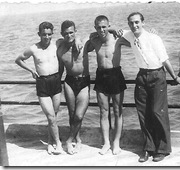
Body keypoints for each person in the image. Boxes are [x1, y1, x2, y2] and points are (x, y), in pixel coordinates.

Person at [114, 12, 180, 162]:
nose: (134, 25)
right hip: (141, 75)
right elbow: (112, 29)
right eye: (131, 23)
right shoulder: (129, 34)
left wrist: (174, 77)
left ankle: (163, 149)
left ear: (143, 23)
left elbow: (165, 60)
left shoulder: (154, 38)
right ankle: (148, 148)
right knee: (143, 112)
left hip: (157, 74)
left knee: (157, 112)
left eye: (137, 22)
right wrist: (115, 31)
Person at [15, 21, 64, 155]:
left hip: (55, 81)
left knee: (53, 116)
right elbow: (18, 60)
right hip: (42, 83)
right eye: (44, 35)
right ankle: (58, 144)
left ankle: (50, 142)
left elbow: (71, 37)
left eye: (49, 34)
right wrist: (31, 70)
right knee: (50, 117)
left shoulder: (56, 44)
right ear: (39, 34)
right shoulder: (33, 48)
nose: (47, 37)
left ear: (52, 34)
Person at [83, 15, 127, 155]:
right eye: (99, 27)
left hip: (115, 75)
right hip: (101, 76)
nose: (102, 30)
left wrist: (114, 29)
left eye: (104, 27)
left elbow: (134, 39)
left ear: (108, 26)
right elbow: (81, 45)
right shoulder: (94, 41)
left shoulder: (117, 39)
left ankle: (116, 143)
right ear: (95, 28)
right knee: (103, 112)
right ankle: (106, 143)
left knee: (117, 111)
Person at [57, 20, 90, 155]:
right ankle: (77, 139)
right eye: (66, 34)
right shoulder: (60, 49)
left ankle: (69, 140)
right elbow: (60, 70)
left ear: (75, 32)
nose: (69, 36)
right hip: (69, 81)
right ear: (62, 34)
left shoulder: (84, 44)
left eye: (71, 32)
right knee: (71, 114)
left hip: (83, 81)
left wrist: (78, 38)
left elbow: (98, 33)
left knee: (79, 115)